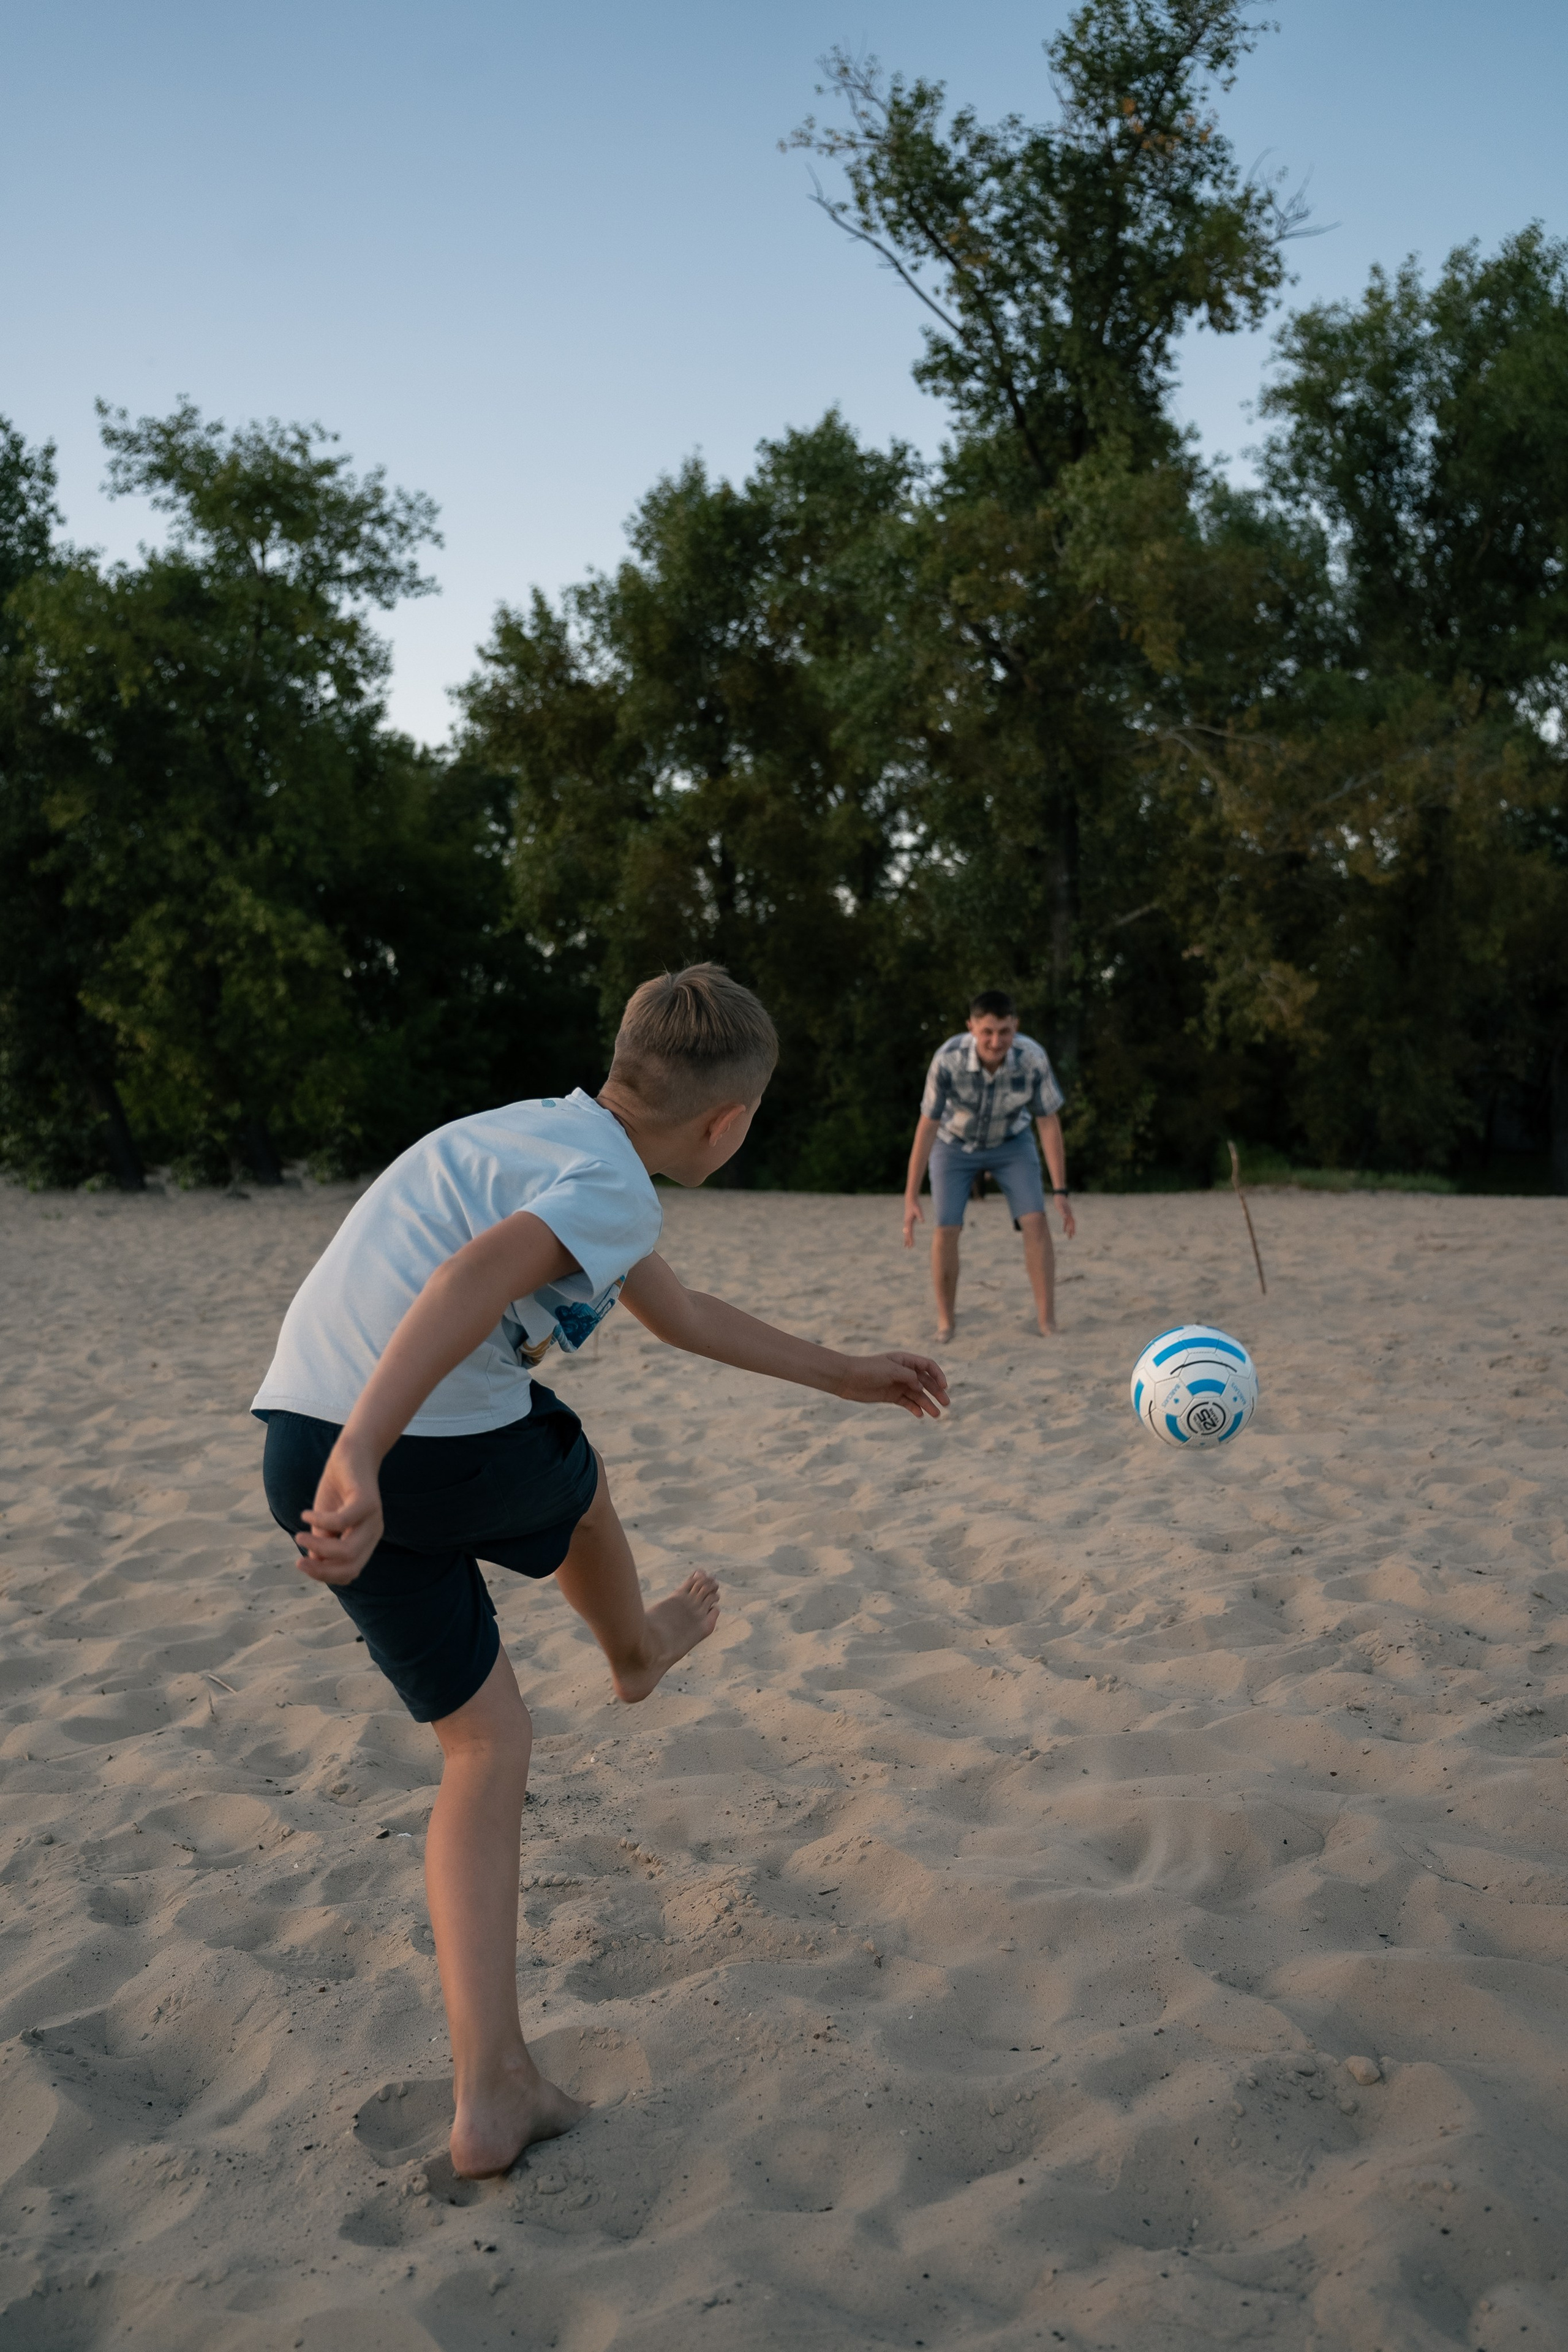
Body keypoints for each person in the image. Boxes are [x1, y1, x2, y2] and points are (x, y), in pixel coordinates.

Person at [252, 963, 947, 2182]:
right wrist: (370, 1453)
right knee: (571, 1471)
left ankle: (494, 2092)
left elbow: (673, 1313)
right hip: (386, 1448)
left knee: (483, 1746)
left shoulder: (531, 1137)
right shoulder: (616, 1189)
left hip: (297, 1440)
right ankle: (635, 1649)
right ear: (725, 1124)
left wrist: (844, 1371)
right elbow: (467, 1284)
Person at [902, 989, 1076, 1340]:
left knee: (1036, 1221)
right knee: (946, 1227)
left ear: (1016, 1027)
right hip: (954, 1145)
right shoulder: (947, 1060)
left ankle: (1047, 1321)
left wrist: (1059, 1190)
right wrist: (910, 1196)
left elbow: (1048, 1122)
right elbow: (928, 1125)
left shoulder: (1032, 1058)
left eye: (1005, 1032)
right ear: (971, 1028)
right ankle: (946, 1322)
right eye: (988, 1032)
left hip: (1012, 1142)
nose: (996, 1041)